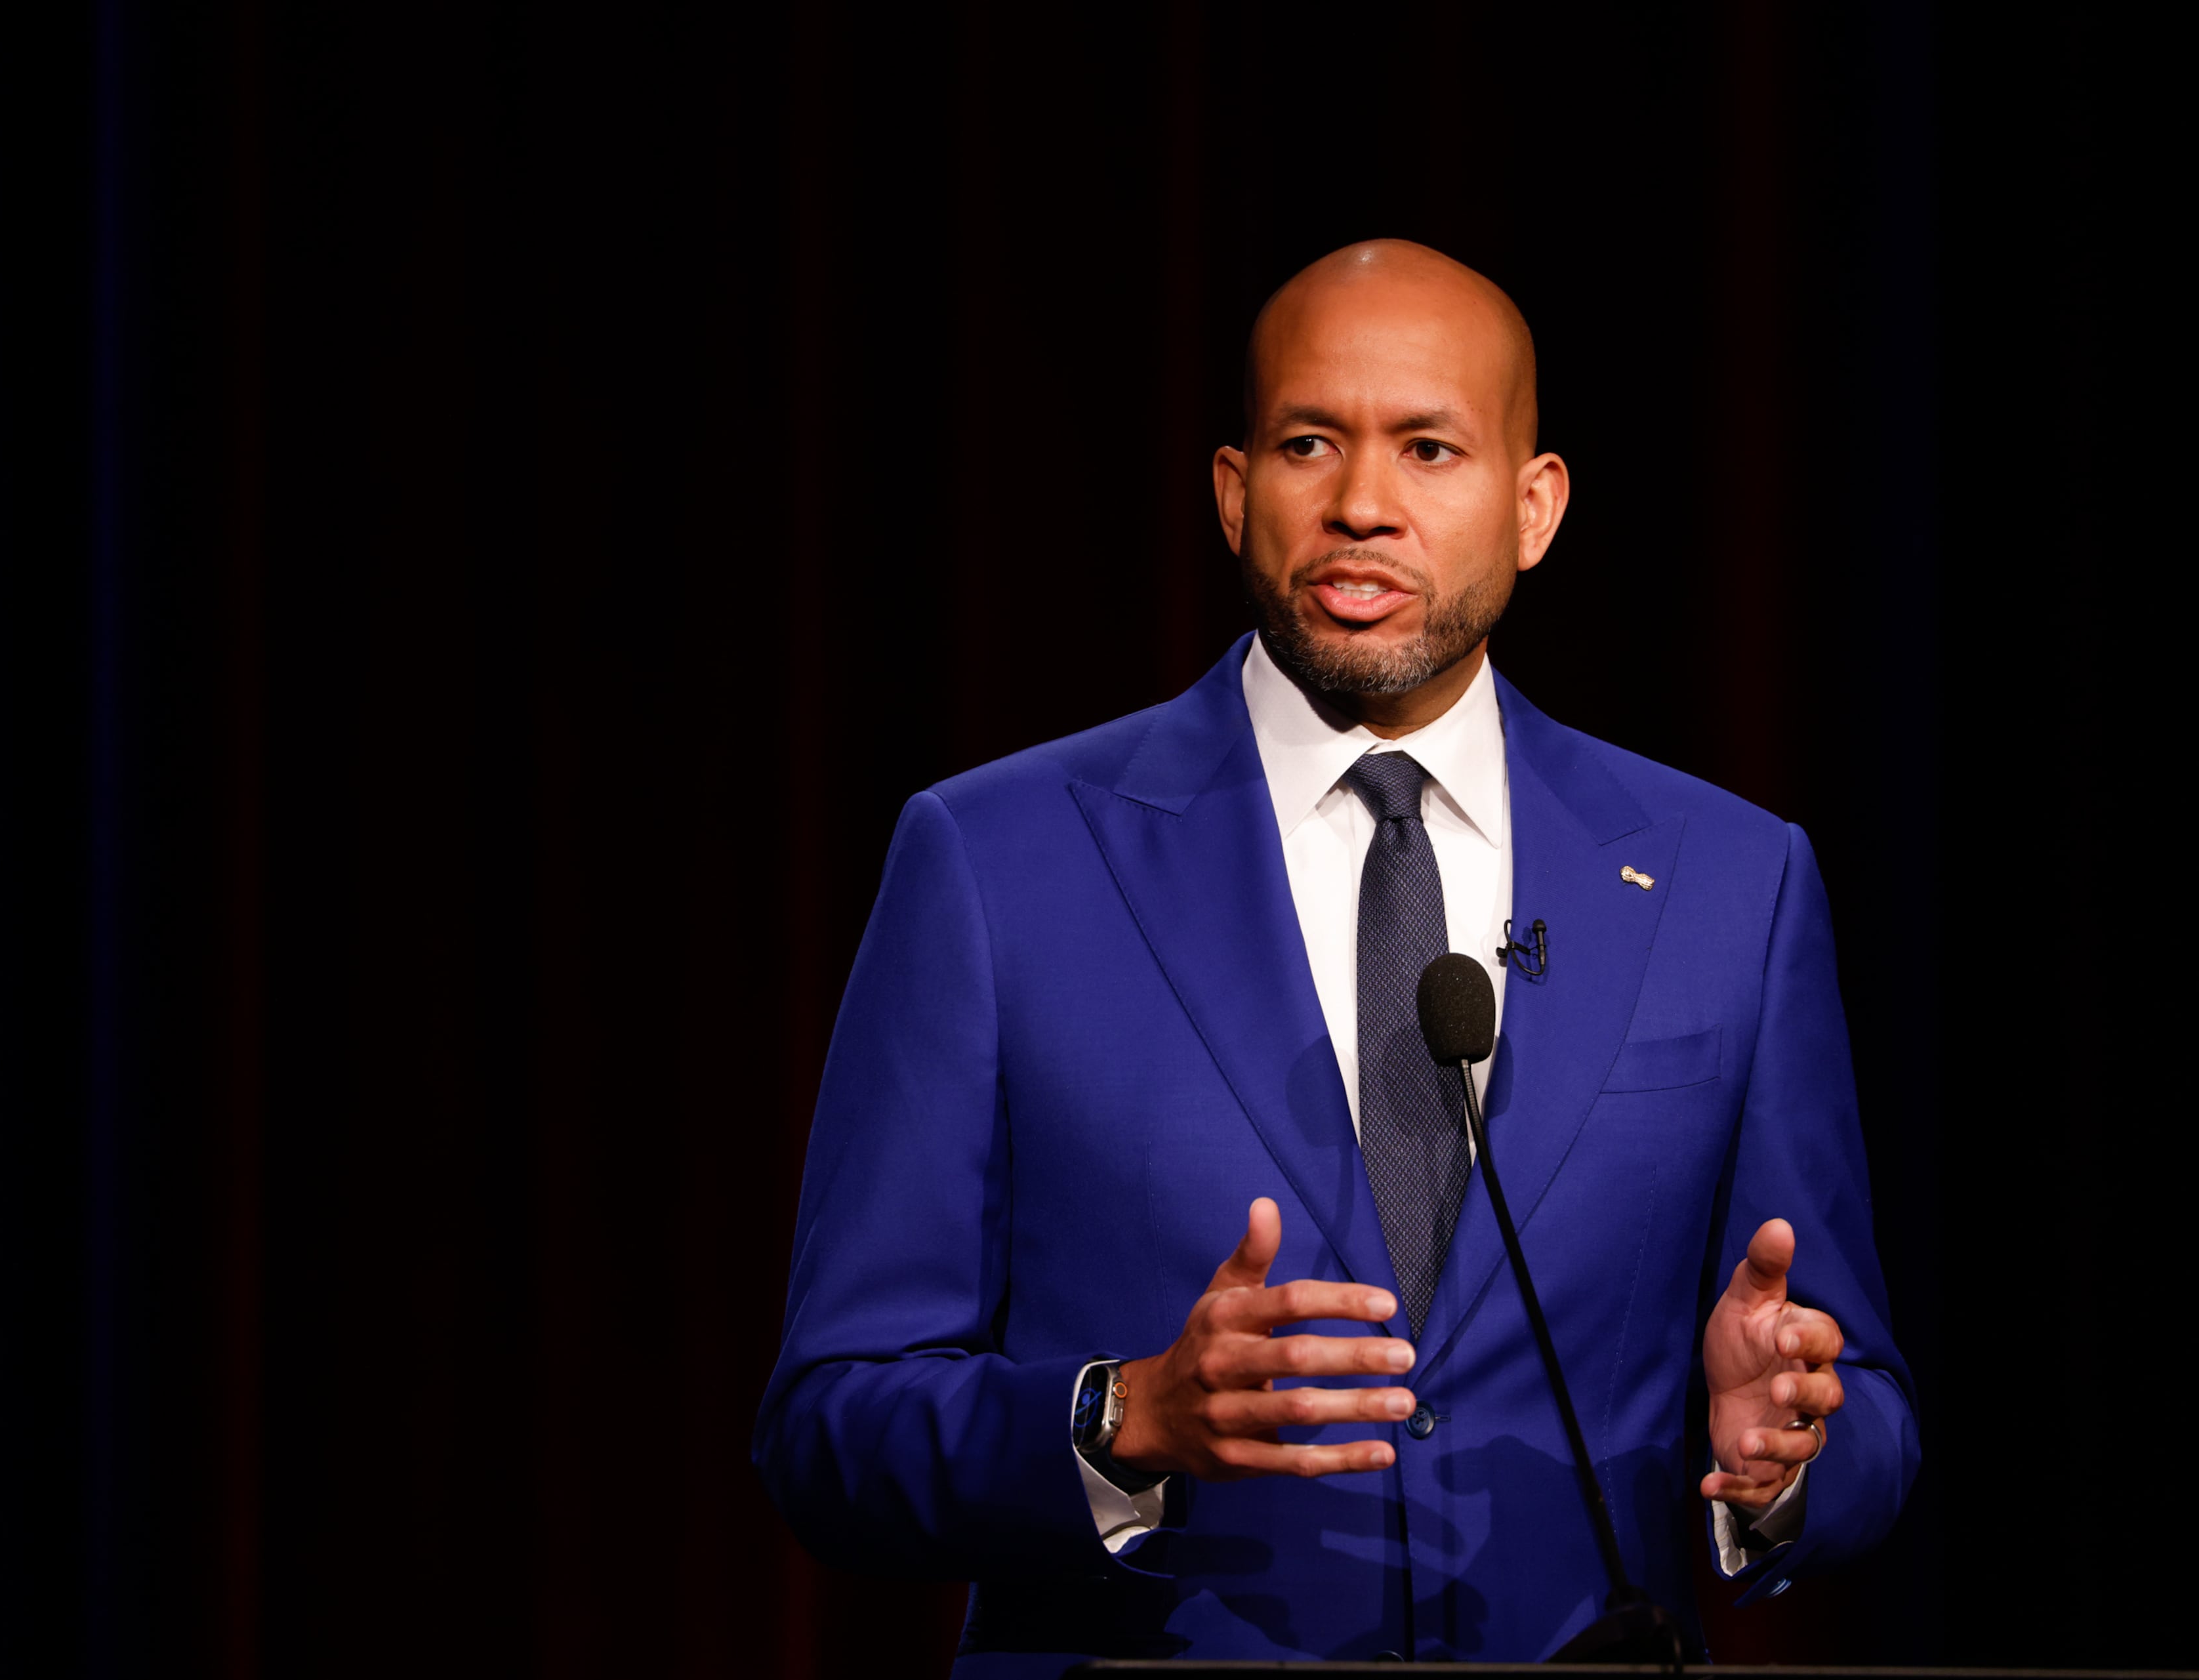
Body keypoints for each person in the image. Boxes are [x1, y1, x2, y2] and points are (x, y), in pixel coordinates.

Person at [754, 240, 1918, 1675]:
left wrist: (1785, 1456)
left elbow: (1853, 1390)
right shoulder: (994, 864)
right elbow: (829, 1426)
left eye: (1430, 448)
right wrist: (1122, 1418)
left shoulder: (1731, 881)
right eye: (1312, 443)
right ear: (1236, 494)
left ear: (1534, 505)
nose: (1363, 505)